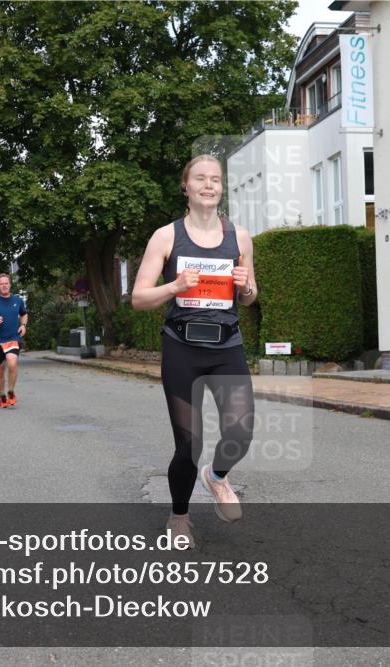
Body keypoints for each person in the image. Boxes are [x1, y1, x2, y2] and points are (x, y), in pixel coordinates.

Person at [131, 154, 258, 549]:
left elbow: (250, 297)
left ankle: (217, 478)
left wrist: (246, 286)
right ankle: (180, 516)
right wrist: (174, 287)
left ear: (222, 188)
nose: (208, 185)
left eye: (215, 180)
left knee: (241, 430)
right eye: (200, 179)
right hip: (182, 348)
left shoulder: (240, 238)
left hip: (227, 346)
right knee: (189, 444)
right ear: (185, 187)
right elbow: (138, 298)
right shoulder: (166, 236)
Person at [0, 274, 27, 408]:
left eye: (6, 283)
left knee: (12, 363)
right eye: (1, 283)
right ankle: (2, 395)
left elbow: (24, 314)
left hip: (13, 338)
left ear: (10, 284)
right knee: (0, 370)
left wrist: (23, 325)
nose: (4, 285)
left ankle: (11, 391)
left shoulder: (17, 300)